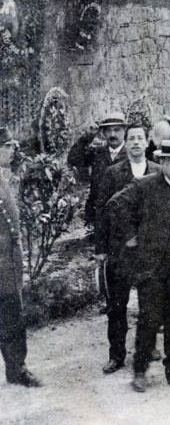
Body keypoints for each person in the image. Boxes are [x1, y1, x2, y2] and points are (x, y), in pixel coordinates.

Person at [106, 139, 170, 393]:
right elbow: (114, 205)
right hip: (152, 267)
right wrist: (131, 236)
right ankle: (140, 371)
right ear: (162, 162)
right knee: (150, 320)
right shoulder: (146, 185)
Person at [94, 122, 159, 374]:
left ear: (146, 143)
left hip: (148, 249)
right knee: (117, 305)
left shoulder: (157, 170)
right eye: (130, 138)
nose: (134, 142)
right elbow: (102, 210)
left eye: (139, 138)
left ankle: (149, 346)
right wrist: (101, 248)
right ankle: (116, 354)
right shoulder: (112, 173)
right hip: (120, 249)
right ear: (127, 143)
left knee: (150, 302)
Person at [0, 127, 41, 387]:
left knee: (12, 316)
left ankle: (16, 369)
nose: (13, 150)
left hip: (7, 265)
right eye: (7, 146)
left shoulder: (4, 176)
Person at [67, 112, 127, 230]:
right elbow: (74, 159)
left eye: (117, 130)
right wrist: (87, 137)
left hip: (125, 216)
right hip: (99, 215)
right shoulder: (97, 153)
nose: (112, 134)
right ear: (103, 133)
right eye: (108, 131)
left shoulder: (132, 154)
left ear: (124, 131)